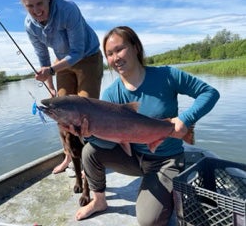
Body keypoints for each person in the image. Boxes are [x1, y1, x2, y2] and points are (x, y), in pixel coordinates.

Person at [71, 26, 220, 225]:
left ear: (136, 48)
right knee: (89, 151)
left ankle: (163, 186)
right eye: (109, 54)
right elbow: (105, 143)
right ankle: (99, 201)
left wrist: (186, 119)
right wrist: (88, 133)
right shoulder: (110, 95)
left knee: (149, 221)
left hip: (164, 160)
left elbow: (209, 93)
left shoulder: (167, 75)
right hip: (132, 156)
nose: (116, 58)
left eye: (120, 49)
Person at [16, 0, 103, 174]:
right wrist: (50, 87)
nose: (36, 10)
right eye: (29, 6)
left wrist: (51, 70)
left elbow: (78, 51)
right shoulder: (30, 25)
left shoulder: (67, 9)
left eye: (40, 3)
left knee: (85, 110)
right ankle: (68, 156)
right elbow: (43, 58)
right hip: (61, 62)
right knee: (59, 111)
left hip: (88, 56)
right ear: (24, 5)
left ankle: (92, 158)